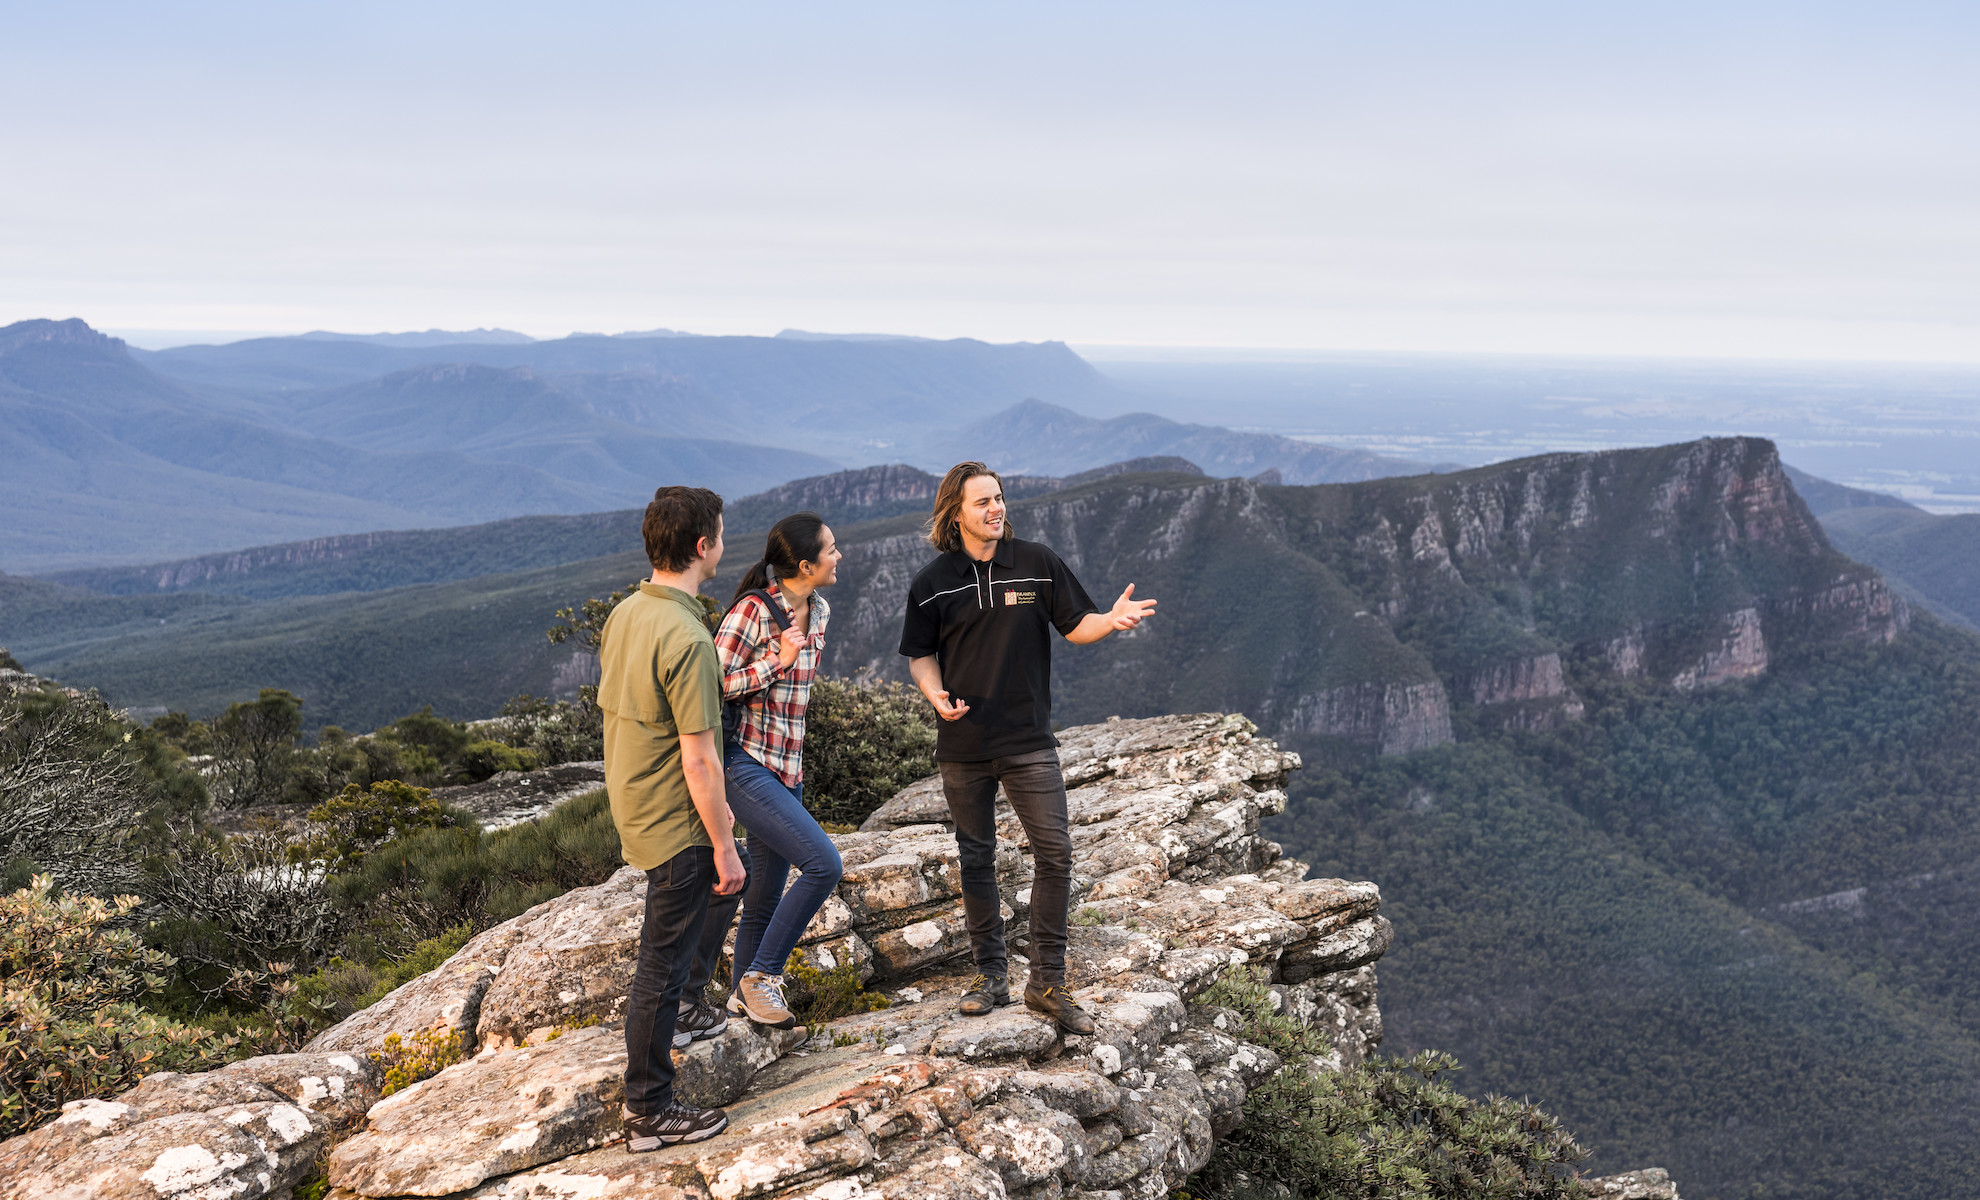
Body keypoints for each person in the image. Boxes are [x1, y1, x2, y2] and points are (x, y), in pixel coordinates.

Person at [897, 461, 1157, 1033]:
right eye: (983, 502)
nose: (996, 508)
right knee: (976, 858)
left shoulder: (1037, 563)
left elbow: (1075, 625)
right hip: (963, 745)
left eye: (1000, 498)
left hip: (1027, 741)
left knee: (1055, 853)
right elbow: (920, 654)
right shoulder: (932, 581)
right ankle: (990, 976)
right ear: (956, 513)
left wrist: (1110, 621)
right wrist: (935, 693)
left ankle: (1046, 981)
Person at [596, 485, 748, 1151]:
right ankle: (650, 1107)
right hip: (677, 821)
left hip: (636, 807)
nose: (723, 542)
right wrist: (723, 844)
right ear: (701, 546)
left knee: (670, 953)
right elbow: (700, 761)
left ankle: (687, 1009)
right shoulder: (688, 637)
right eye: (719, 532)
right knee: (658, 966)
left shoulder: (628, 612)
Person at [713, 512, 846, 1029]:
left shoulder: (821, 610)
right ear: (805, 564)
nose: (840, 556)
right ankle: (762, 975)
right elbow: (709, 684)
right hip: (743, 763)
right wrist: (778, 660)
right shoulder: (752, 612)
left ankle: (743, 1004)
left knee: (765, 895)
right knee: (823, 864)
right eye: (832, 549)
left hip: (787, 770)